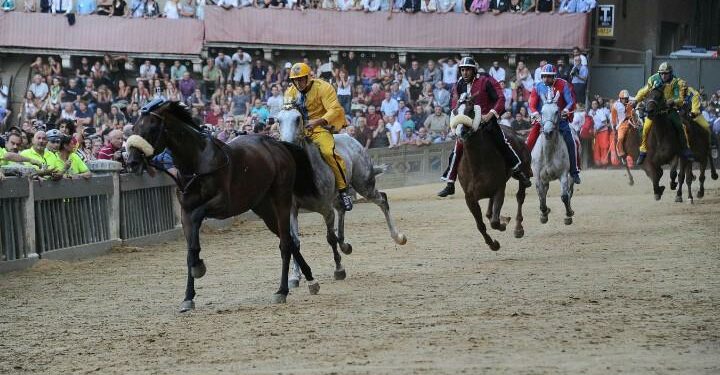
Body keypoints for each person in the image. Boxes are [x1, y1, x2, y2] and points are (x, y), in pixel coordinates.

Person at [437, 57, 531, 197]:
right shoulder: (458, 84)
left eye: (468, 69)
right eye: (462, 70)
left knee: (502, 142)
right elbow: (454, 104)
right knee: (457, 149)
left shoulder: (486, 81)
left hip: (487, 121)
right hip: (467, 124)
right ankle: (450, 183)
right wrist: (456, 120)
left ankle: (517, 170)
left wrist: (491, 114)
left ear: (473, 70)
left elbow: (500, 98)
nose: (465, 72)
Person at [284, 62, 353, 211]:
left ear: (309, 77)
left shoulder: (324, 88)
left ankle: (343, 191)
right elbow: (288, 113)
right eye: (295, 80)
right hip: (299, 131)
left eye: (301, 79)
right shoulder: (289, 93)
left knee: (329, 153)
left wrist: (317, 122)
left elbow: (334, 109)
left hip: (320, 128)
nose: (298, 83)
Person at [526, 64, 582, 184]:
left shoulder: (563, 84)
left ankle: (574, 171)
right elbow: (532, 104)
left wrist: (566, 110)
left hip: (560, 120)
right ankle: (525, 169)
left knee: (572, 141)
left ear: (554, 76)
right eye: (544, 76)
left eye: (549, 77)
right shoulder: (537, 86)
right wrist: (535, 113)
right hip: (542, 120)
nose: (546, 79)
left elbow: (570, 101)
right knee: (530, 140)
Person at [633, 62, 693, 164]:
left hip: (669, 110)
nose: (663, 76)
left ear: (670, 73)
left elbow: (680, 98)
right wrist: (635, 100)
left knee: (680, 126)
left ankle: (685, 148)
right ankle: (643, 151)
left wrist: (673, 101)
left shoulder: (676, 82)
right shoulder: (652, 79)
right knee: (646, 128)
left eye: (666, 73)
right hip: (655, 111)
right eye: (661, 73)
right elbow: (644, 91)